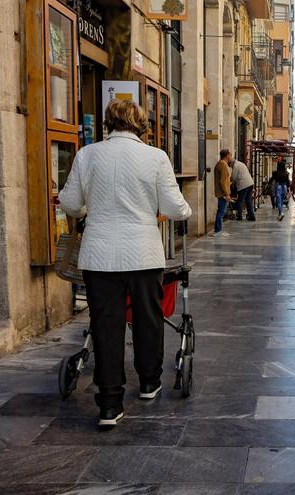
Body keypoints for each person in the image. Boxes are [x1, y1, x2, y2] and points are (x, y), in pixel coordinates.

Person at [58, 99, 192, 429]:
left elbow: (71, 202)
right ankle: (148, 383)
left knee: (106, 326)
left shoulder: (87, 155)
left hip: (99, 255)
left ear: (109, 123)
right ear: (140, 124)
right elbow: (176, 208)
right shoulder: (155, 157)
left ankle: (109, 405)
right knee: (148, 318)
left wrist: (94, 208)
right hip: (143, 254)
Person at [213, 149, 233, 236]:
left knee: (221, 211)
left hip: (221, 192)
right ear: (227, 155)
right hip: (223, 193)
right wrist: (227, 194)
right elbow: (223, 181)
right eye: (230, 154)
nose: (231, 156)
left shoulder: (220, 164)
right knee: (221, 211)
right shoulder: (223, 165)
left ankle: (219, 230)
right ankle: (218, 231)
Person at [230, 156, 256, 221]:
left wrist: (229, 180)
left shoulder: (235, 166)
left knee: (240, 201)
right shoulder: (241, 163)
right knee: (248, 201)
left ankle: (239, 216)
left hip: (243, 185)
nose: (230, 167)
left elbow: (234, 177)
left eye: (230, 165)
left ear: (231, 163)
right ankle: (252, 216)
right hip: (250, 183)